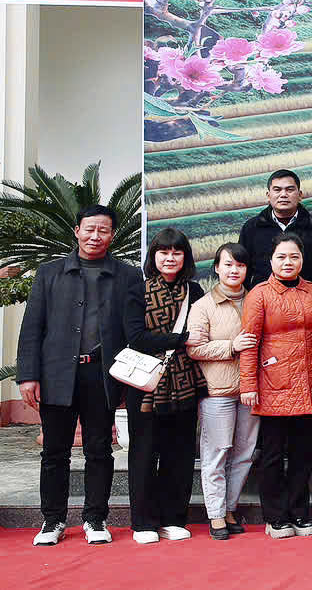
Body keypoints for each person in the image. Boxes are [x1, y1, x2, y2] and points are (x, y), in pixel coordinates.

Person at [18, 205, 143, 546]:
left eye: (103, 230)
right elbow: (32, 328)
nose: (95, 236)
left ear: (112, 235)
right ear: (77, 231)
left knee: (99, 450)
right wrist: (28, 375)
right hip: (57, 374)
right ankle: (52, 520)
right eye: (89, 229)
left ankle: (95, 518)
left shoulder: (128, 275)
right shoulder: (50, 273)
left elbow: (134, 329)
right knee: (54, 451)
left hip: (101, 374)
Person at [239, 232, 312, 539]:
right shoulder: (259, 294)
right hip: (273, 382)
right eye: (281, 257)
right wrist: (248, 384)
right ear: (271, 260)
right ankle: (275, 516)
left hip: (308, 380)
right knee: (273, 454)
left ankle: (300, 513)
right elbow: (249, 342)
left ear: (302, 259)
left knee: (303, 454)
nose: (288, 262)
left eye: (294, 256)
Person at [123, 228, 207, 544]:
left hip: (185, 382)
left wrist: (185, 341)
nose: (170, 258)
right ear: (153, 256)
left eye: (176, 252)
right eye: (163, 252)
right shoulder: (137, 290)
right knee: (144, 453)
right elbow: (136, 338)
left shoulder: (194, 291)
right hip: (146, 384)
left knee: (180, 453)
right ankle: (143, 522)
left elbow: (203, 332)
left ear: (185, 257)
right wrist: (181, 339)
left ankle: (173, 518)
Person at [186, 242, 259, 540]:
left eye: (240, 265)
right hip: (218, 392)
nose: (234, 270)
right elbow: (194, 348)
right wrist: (231, 346)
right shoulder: (203, 306)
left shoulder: (256, 300)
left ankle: (229, 509)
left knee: (243, 454)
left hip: (251, 391)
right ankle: (215, 514)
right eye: (228, 264)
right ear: (216, 268)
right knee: (217, 454)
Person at [237, 169, 312, 287]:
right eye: (277, 190)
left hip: (306, 295)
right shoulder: (252, 228)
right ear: (268, 195)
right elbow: (242, 268)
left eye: (289, 189)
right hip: (263, 297)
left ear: (300, 195)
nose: (283, 195)